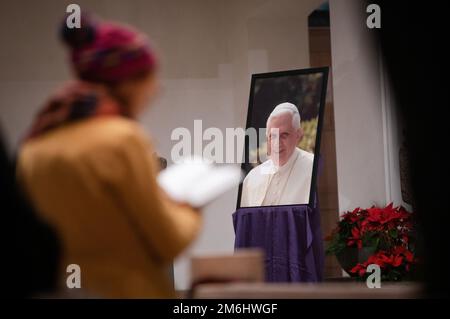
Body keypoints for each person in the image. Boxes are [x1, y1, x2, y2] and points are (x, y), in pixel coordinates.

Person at [15, 14, 202, 298]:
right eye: (150, 80)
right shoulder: (123, 139)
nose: (155, 90)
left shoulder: (33, 147)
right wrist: (191, 207)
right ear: (127, 83)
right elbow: (168, 241)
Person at [240, 102, 314, 207]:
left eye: (284, 135)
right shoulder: (252, 178)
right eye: (273, 136)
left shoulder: (313, 168)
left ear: (298, 135)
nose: (277, 143)